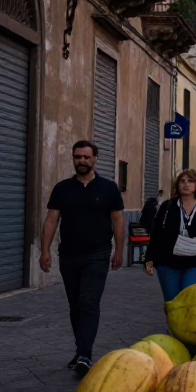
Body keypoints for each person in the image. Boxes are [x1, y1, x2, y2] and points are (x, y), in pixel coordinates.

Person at [40, 140, 125, 377]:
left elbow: (118, 220)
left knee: (88, 302)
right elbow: (51, 220)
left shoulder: (108, 188)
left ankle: (85, 354)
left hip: (97, 254)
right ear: (73, 158)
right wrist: (44, 250)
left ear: (95, 159)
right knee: (75, 305)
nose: (82, 161)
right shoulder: (62, 189)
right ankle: (81, 351)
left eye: (87, 157)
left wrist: (119, 250)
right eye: (78, 157)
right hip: (69, 254)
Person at [145, 169, 196, 302]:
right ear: (177, 184)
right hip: (168, 263)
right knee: (172, 303)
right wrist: (149, 259)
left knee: (189, 301)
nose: (186, 184)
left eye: (190, 181)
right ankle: (173, 324)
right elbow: (156, 234)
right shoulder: (167, 206)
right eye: (182, 181)